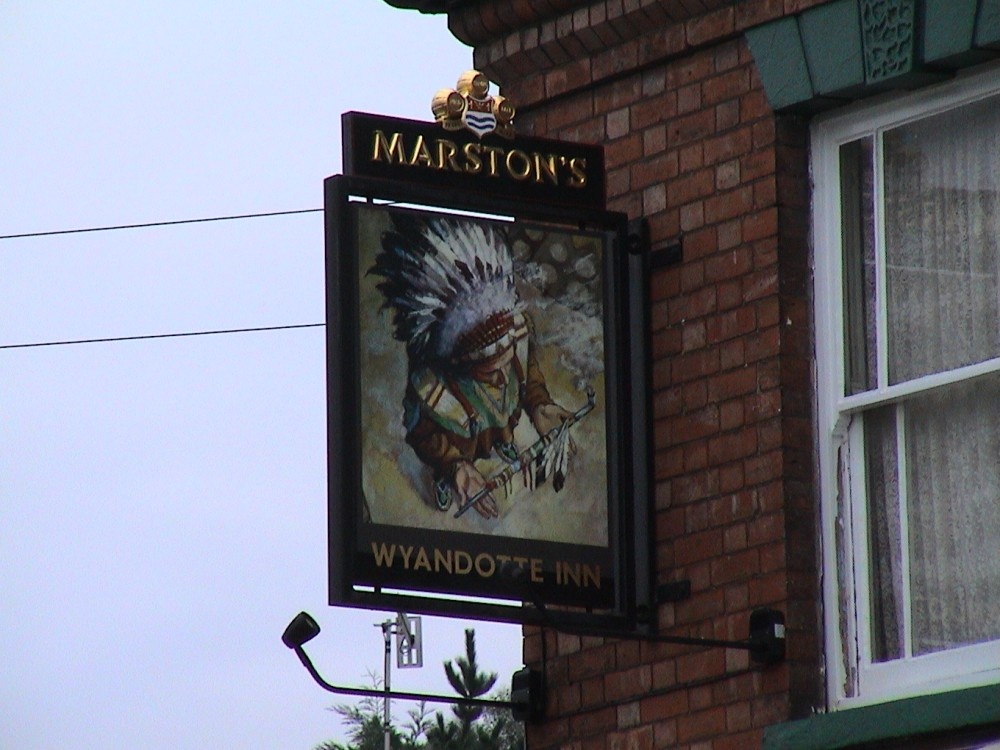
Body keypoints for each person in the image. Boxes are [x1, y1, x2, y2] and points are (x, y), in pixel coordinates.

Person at [371, 214, 572, 519]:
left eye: (506, 355)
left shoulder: (515, 334)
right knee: (452, 452)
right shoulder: (430, 386)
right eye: (490, 367)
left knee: (501, 423)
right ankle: (449, 474)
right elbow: (422, 435)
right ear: (461, 362)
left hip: (494, 424)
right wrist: (453, 464)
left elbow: (528, 374)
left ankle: (500, 441)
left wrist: (538, 403)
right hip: (457, 441)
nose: (504, 371)